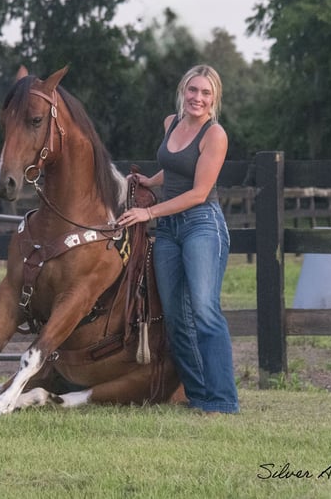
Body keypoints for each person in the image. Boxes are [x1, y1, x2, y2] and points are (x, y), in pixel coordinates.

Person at [117, 64, 239, 415]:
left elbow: (199, 192)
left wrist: (148, 213)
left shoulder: (215, 135)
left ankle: (224, 400)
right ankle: (200, 396)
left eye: (205, 93)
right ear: (183, 90)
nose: (197, 98)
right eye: (193, 90)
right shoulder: (171, 123)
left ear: (214, 98)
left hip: (202, 226)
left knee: (204, 310)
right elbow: (171, 170)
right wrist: (146, 183)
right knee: (175, 315)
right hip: (169, 231)